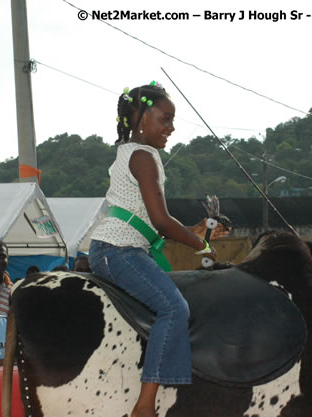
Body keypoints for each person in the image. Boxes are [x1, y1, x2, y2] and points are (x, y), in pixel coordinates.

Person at [88, 82, 223, 417]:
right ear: (141, 119)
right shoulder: (145, 157)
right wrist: (201, 244)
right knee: (174, 309)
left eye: (172, 120)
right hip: (119, 250)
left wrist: (191, 231)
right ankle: (145, 405)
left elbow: (152, 219)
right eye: (165, 119)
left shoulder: (129, 151)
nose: (171, 127)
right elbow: (162, 222)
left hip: (118, 247)